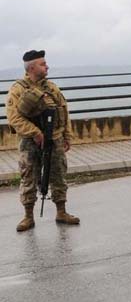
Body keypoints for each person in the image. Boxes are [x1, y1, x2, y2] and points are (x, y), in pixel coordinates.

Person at [6, 50, 80, 232]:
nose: (47, 66)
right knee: (28, 177)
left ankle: (61, 212)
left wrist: (66, 136)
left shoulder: (52, 88)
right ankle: (28, 216)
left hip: (55, 139)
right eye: (42, 64)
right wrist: (35, 132)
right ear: (31, 67)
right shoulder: (18, 89)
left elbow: (64, 112)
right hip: (30, 142)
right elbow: (14, 118)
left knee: (58, 176)